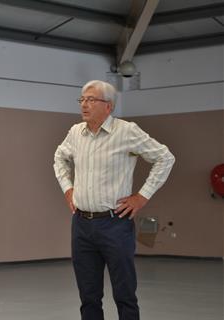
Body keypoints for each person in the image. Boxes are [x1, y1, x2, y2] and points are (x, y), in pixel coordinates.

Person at [53, 80, 175, 320]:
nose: (84, 105)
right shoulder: (76, 132)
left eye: (91, 100)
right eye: (82, 100)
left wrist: (142, 196)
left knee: (125, 294)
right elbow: (59, 157)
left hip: (115, 224)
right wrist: (68, 189)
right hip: (81, 225)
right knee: (88, 297)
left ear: (108, 106)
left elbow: (165, 158)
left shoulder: (127, 131)